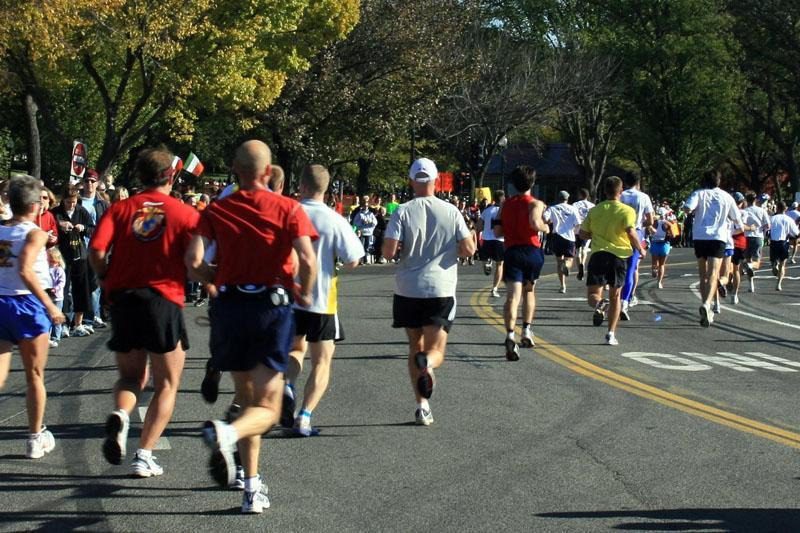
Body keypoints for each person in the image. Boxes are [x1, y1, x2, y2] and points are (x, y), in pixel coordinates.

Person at [186, 140, 317, 514]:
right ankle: (225, 434)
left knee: (246, 400)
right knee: (269, 409)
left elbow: (193, 260)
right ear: (267, 172)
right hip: (270, 308)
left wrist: (216, 276)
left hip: (229, 307)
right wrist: (304, 292)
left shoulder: (216, 209)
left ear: (234, 169)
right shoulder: (288, 207)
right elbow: (306, 258)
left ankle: (250, 487)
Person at [89, 148, 200, 478]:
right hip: (162, 300)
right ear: (171, 176)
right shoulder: (184, 213)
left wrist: (105, 275)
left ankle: (122, 415)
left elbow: (96, 250)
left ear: (139, 176)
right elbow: (194, 263)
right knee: (167, 383)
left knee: (130, 377)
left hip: (124, 299)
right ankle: (144, 453)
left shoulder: (120, 209)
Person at [382, 157, 474, 426]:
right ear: (435, 181)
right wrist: (450, 252)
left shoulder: (402, 211)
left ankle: (422, 406)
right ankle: (429, 364)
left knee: (415, 346)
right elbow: (469, 248)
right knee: (436, 349)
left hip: (408, 288)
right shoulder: (451, 211)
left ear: (411, 181)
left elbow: (388, 252)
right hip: (440, 288)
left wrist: (403, 250)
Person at [284, 164, 364, 436]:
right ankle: (304, 416)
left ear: (302, 186)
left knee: (295, 349)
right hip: (321, 298)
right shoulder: (334, 219)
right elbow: (354, 258)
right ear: (325, 189)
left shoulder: (288, 212)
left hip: (289, 296)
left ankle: (288, 385)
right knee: (322, 359)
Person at [0, 175, 66, 458]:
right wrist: (50, 306)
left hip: (1, 301)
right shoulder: (35, 233)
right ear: (33, 205)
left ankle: (36, 436)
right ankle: (35, 437)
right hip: (26, 304)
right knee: (34, 375)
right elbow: (26, 270)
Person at [580, 176, 645, 346]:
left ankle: (600, 304)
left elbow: (582, 233)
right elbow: (631, 231)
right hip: (620, 256)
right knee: (616, 296)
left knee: (593, 294)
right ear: (620, 191)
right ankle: (611, 333)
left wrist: (594, 234)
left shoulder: (595, 210)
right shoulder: (627, 211)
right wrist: (640, 248)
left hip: (599, 254)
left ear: (604, 191)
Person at [494, 166, 549, 360]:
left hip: (512, 251)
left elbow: (497, 232)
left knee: (512, 297)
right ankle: (526, 330)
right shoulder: (535, 203)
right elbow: (535, 223)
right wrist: (546, 228)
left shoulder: (505, 205)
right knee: (529, 292)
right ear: (532, 183)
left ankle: (510, 334)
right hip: (532, 250)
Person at [683, 170, 742, 327]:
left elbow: (687, 208)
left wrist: (694, 212)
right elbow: (736, 217)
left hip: (700, 236)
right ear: (718, 181)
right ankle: (707, 304)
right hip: (718, 236)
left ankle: (705, 305)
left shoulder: (699, 194)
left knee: (703, 274)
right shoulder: (727, 196)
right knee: (714, 273)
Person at [51, 185, 95, 337]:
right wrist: (59, 225)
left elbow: (92, 228)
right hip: (61, 255)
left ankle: (78, 322)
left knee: (81, 288)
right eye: (68, 202)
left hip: (79, 253)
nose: (71, 205)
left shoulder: (81, 211)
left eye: (74, 201)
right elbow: (49, 227)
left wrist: (83, 227)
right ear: (63, 200)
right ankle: (63, 323)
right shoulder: (55, 213)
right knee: (62, 290)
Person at [619, 171, 654, 321]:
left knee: (618, 266)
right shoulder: (643, 197)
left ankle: (616, 298)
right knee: (631, 268)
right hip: (637, 232)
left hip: (619, 232)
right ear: (638, 182)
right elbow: (650, 220)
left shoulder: (621, 195)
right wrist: (640, 223)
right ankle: (624, 301)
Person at [81, 169, 110, 330]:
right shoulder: (76, 201)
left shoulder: (102, 204)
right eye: (86, 181)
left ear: (97, 183)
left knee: (95, 284)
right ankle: (79, 317)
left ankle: (94, 315)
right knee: (78, 284)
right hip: (79, 247)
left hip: (97, 248)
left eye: (92, 181)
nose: (89, 184)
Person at [543, 190, 581, 294]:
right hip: (569, 237)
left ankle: (562, 285)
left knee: (559, 261)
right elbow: (578, 223)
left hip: (557, 236)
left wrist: (550, 221)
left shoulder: (553, 208)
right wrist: (576, 232)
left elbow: (545, 219)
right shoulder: (573, 208)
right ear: (567, 199)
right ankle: (567, 265)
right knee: (569, 260)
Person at [742, 191, 771, 293]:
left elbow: (741, 224)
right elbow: (768, 225)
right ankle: (749, 267)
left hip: (746, 237)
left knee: (748, 258)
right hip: (757, 236)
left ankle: (751, 285)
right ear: (755, 200)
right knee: (756, 262)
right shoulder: (761, 210)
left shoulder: (744, 211)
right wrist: (762, 228)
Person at [478, 190, 505, 297]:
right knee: (500, 264)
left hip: (487, 239)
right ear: (503, 199)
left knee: (485, 257)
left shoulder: (487, 210)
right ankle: (494, 288)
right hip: (500, 240)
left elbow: (479, 226)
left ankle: (487, 262)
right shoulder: (504, 211)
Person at [769, 201, 799, 291]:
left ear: (777, 208)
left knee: (774, 259)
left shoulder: (772, 218)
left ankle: (774, 264)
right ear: (785, 209)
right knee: (783, 264)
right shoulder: (788, 219)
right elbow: (796, 233)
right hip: (783, 243)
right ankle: (779, 284)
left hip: (773, 242)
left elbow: (767, 230)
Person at [649, 207, 674, 289]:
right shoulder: (668, 223)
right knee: (662, 264)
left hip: (655, 243)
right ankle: (659, 282)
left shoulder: (653, 222)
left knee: (654, 262)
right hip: (664, 244)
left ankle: (654, 270)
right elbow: (673, 235)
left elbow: (648, 231)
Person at [572, 188, 595, 281]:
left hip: (577, 230)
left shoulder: (575, 205)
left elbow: (572, 216)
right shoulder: (592, 206)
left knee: (578, 250)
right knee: (585, 249)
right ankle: (583, 263)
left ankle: (579, 267)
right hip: (588, 229)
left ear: (580, 195)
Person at [47, 248, 66, 347]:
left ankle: (56, 337)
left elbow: (62, 282)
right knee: (48, 317)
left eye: (52, 260)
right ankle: (47, 337)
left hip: (57, 297)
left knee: (56, 317)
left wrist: (56, 288)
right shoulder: (46, 269)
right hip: (49, 297)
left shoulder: (59, 270)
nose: (50, 262)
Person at [352, 195, 378, 264]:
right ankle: (361, 259)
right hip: (362, 232)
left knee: (367, 246)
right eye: (364, 205)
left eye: (367, 206)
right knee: (362, 245)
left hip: (369, 232)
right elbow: (355, 222)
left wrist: (370, 221)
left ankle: (366, 259)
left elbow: (375, 222)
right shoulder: (359, 214)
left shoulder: (371, 213)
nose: (365, 207)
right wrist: (361, 223)